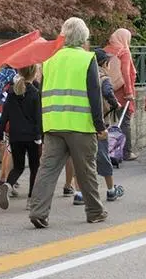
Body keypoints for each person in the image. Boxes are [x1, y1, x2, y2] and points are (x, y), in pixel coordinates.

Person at [28, 18, 107, 229]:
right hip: (81, 125)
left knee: (47, 170)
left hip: (53, 124)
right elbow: (94, 94)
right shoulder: (87, 59)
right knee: (86, 170)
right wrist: (100, 126)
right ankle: (95, 211)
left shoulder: (50, 60)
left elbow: (42, 94)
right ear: (84, 38)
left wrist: (41, 127)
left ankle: (38, 211)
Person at [0, 65, 42, 210]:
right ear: (34, 73)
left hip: (15, 135)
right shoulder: (35, 92)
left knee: (18, 167)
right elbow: (38, 117)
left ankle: (8, 185)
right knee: (35, 168)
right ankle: (30, 200)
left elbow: (5, 115)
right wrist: (40, 136)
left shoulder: (12, 91)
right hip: (32, 136)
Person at [93, 49, 126, 202]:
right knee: (103, 155)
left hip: (83, 122)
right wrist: (116, 103)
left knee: (83, 159)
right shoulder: (104, 78)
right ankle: (111, 190)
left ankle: (78, 193)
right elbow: (107, 92)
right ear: (104, 63)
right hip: (100, 122)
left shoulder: (85, 75)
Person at [104, 28, 138, 161]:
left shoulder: (106, 50)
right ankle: (126, 152)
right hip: (121, 92)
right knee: (125, 122)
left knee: (106, 121)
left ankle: (105, 150)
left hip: (106, 90)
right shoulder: (123, 52)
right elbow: (126, 73)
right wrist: (129, 92)